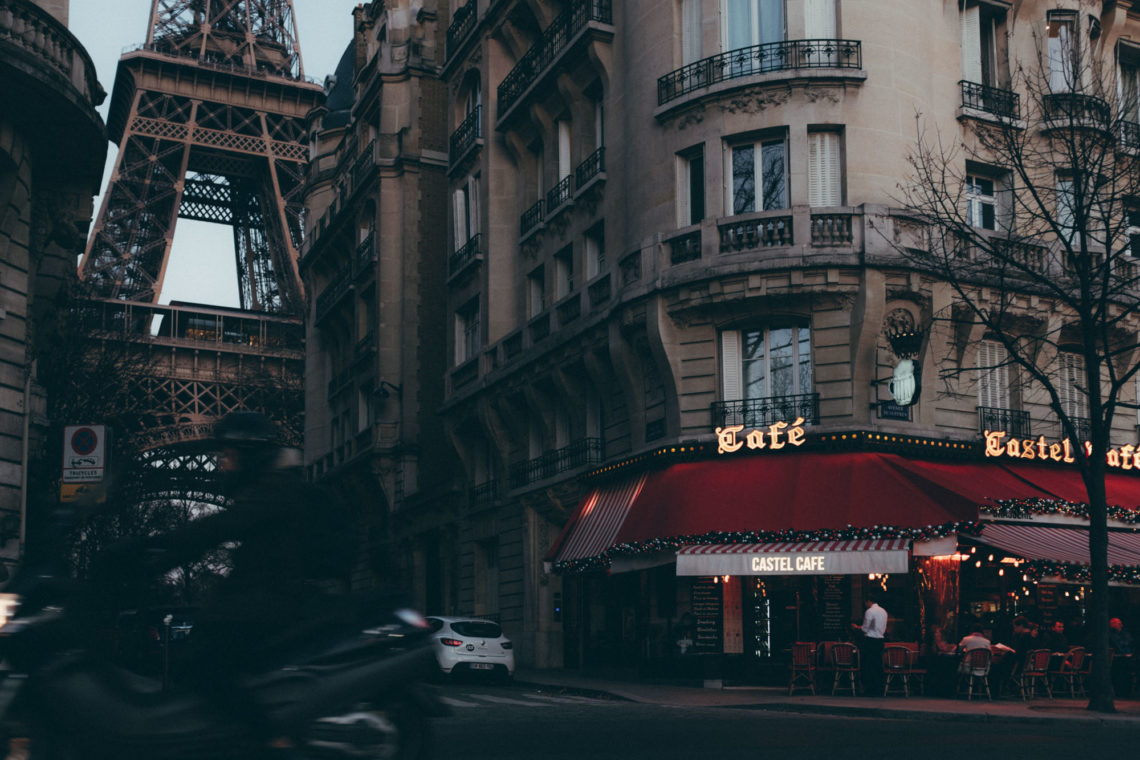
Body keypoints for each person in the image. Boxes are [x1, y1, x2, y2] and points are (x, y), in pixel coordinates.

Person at [139, 411, 355, 758]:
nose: (222, 463)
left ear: (250, 455)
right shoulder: (271, 486)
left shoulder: (275, 490)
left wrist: (158, 547)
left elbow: (223, 526)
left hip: (271, 602)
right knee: (203, 656)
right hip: (262, 598)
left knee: (205, 666)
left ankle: (271, 740)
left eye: (228, 455)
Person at [852, 595, 887, 696]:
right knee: (878, 665)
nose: (864, 604)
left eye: (865, 602)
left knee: (868, 665)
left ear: (868, 601)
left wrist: (856, 628)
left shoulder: (869, 611)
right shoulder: (883, 611)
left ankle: (870, 689)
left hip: (870, 641)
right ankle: (879, 689)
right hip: (880, 640)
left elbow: (865, 629)